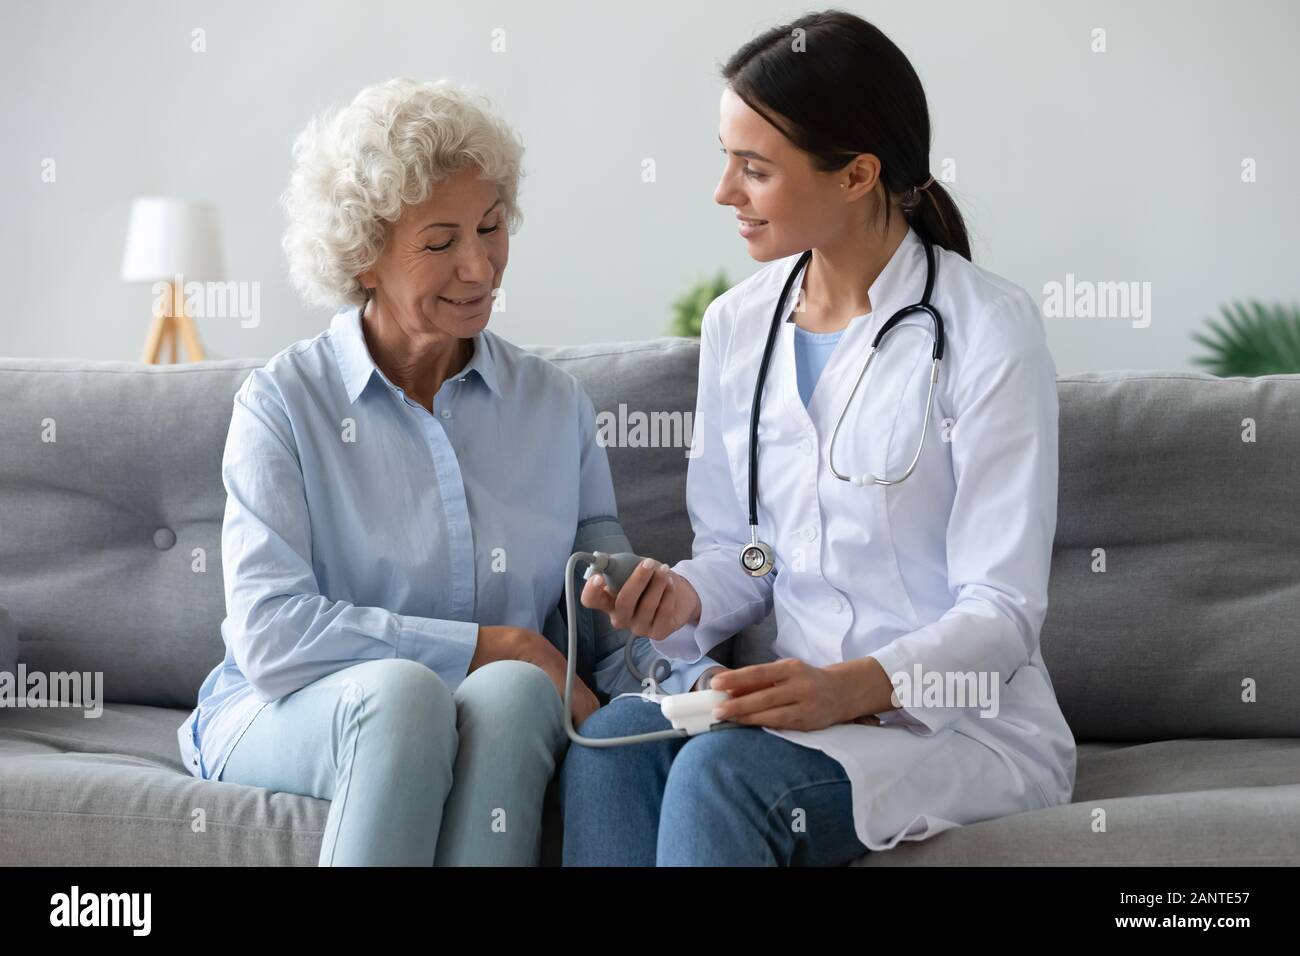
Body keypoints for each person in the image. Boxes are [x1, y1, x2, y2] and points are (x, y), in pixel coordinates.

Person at [561, 10, 1076, 867]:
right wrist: (684, 601)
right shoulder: (739, 326)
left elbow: (1002, 613)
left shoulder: (989, 328)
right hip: (796, 716)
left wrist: (848, 690)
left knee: (722, 776)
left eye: (754, 169)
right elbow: (746, 554)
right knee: (615, 740)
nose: (723, 191)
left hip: (956, 728)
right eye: (726, 159)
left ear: (856, 175)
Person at [176, 77, 715, 866]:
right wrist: (493, 643)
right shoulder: (284, 404)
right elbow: (271, 635)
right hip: (288, 710)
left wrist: (696, 677)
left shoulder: (553, 406)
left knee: (519, 690)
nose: (478, 267)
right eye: (440, 243)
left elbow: (604, 619)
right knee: (406, 695)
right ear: (364, 256)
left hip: (495, 707)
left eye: (491, 228)